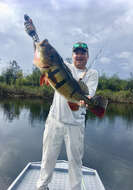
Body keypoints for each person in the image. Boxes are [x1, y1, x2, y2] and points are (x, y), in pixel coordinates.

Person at [25, 22, 98, 190]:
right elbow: (44, 56)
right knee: (48, 157)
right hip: (54, 120)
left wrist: (85, 100)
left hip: (75, 125)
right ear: (72, 55)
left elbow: (89, 94)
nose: (79, 56)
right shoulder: (66, 67)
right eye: (76, 53)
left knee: (75, 162)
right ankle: (42, 186)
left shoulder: (93, 74)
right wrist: (34, 35)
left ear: (87, 56)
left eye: (83, 53)